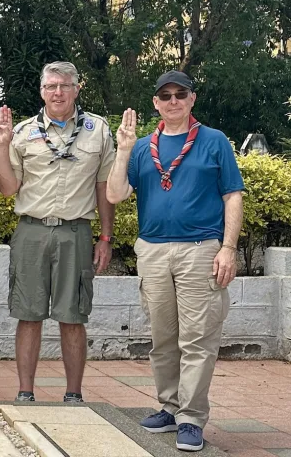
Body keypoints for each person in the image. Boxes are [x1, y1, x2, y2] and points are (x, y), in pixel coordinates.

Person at [107, 71, 243, 452]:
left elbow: (233, 195)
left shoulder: (213, 141)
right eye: (165, 96)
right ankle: (170, 407)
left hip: (200, 249)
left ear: (191, 99)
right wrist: (122, 149)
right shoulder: (141, 147)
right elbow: (116, 194)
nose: (172, 101)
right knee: (163, 338)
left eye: (179, 94)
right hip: (152, 250)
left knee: (197, 338)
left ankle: (191, 418)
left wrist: (228, 248)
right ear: (155, 103)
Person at [0, 61, 116, 403]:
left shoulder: (98, 130)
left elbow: (104, 184)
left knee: (72, 315)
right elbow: (8, 188)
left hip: (75, 232)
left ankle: (74, 394)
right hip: (31, 231)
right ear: (42, 91)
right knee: (28, 315)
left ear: (77, 88)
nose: (58, 92)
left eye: (64, 85)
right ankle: (25, 393)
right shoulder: (21, 132)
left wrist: (106, 236)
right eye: (51, 86)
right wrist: (2, 147)